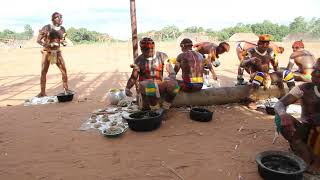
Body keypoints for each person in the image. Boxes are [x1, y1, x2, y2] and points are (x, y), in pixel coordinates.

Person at [274, 58, 320, 172]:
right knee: (280, 120)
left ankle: (315, 162)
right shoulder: (304, 88)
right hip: (305, 131)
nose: (313, 73)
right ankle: (303, 152)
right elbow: (279, 104)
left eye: (318, 71)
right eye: (314, 69)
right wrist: (283, 114)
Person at [125, 37, 179, 112]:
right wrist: (127, 88)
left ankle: (165, 107)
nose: (149, 51)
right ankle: (155, 110)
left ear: (154, 47)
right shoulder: (139, 60)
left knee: (175, 86)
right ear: (142, 49)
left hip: (159, 84)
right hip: (145, 85)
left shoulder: (162, 56)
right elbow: (133, 78)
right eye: (146, 49)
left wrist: (171, 77)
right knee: (150, 84)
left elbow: (170, 70)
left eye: (151, 49)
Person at [241, 34, 291, 110]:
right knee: (260, 74)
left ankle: (285, 96)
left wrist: (278, 76)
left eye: (267, 43)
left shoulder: (270, 51)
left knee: (284, 73)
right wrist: (250, 60)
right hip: (255, 76)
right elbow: (242, 64)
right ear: (258, 43)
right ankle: (250, 100)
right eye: (263, 43)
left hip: (267, 77)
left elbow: (275, 66)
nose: (265, 45)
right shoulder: (251, 51)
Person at [36, 12, 71, 97]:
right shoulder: (47, 28)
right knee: (44, 72)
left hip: (57, 52)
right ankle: (42, 92)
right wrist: (47, 45)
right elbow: (38, 40)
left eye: (61, 17)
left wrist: (64, 42)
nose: (60, 19)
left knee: (64, 71)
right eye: (58, 18)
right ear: (53, 19)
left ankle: (66, 90)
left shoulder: (62, 29)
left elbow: (62, 39)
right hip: (47, 52)